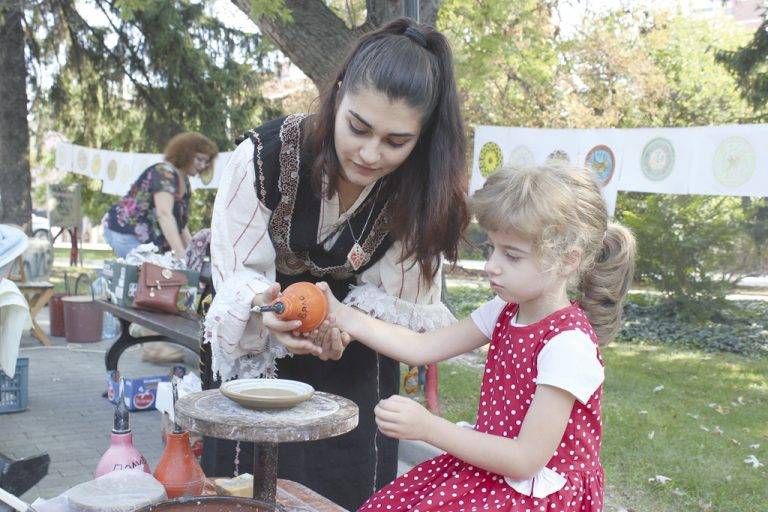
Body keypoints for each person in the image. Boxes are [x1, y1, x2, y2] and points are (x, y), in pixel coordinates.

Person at [201, 17, 468, 510]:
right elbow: (238, 276)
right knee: (247, 489)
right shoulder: (263, 158)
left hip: (355, 350)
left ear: (422, 135)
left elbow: (401, 307)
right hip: (263, 345)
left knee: (343, 488)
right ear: (338, 93)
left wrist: (342, 324)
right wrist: (266, 311)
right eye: (358, 128)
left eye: (396, 141)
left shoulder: (421, 191)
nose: (370, 153)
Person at [312, 163, 636, 511]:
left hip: (535, 496)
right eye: (491, 248)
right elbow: (422, 347)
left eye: (511, 255)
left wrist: (428, 428)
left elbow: (525, 460)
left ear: (567, 261)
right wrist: (342, 314)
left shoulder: (568, 345)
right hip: (490, 471)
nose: (491, 265)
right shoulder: (506, 309)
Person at [102, 132, 218, 258]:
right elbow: (164, 214)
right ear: (186, 153)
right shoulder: (164, 173)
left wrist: (194, 256)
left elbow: (181, 227)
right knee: (147, 272)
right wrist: (181, 254)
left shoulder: (185, 182)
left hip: (144, 238)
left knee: (154, 273)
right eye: (199, 159)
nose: (202, 166)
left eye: (206, 162)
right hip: (123, 230)